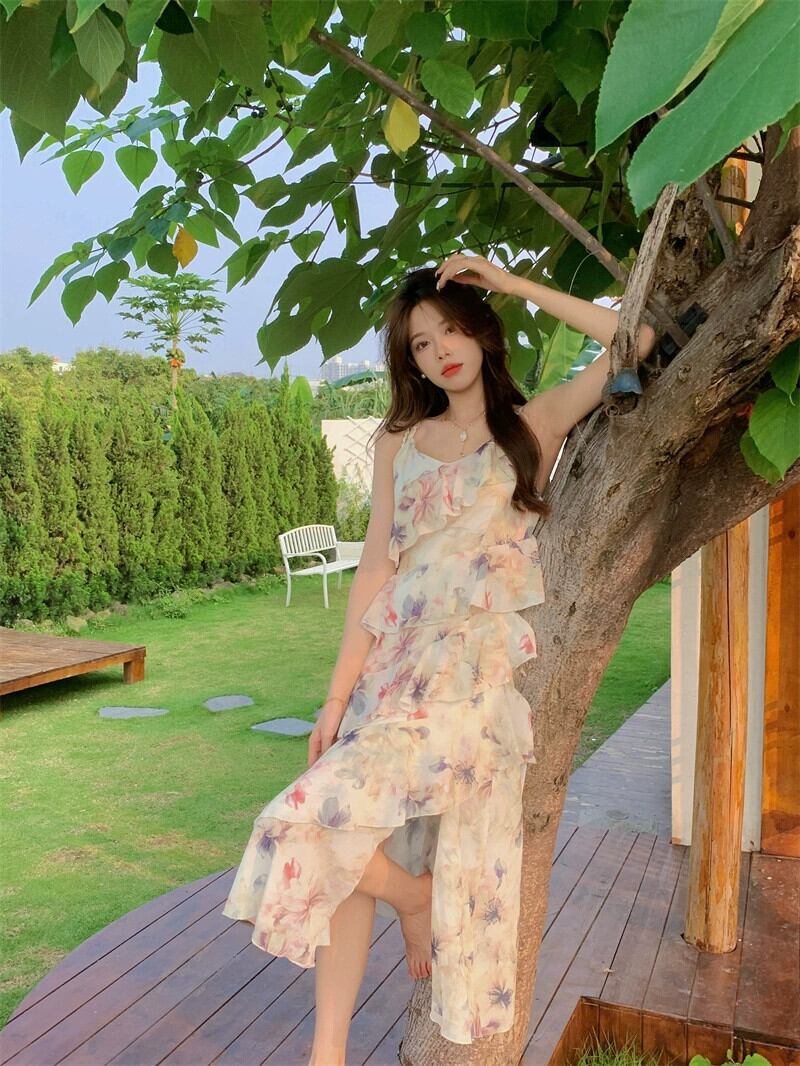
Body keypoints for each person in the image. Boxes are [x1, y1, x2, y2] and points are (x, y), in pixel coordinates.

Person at [221, 253, 658, 1063]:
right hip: (389, 675)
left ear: (482, 332)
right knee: (332, 829)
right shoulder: (398, 441)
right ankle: (330, 1046)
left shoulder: (533, 425)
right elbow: (374, 573)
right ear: (410, 362)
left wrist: (515, 284)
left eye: (451, 330)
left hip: (471, 687)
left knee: (317, 820)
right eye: (421, 344)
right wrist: (334, 700)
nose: (440, 351)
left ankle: (417, 899)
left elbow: (636, 338)